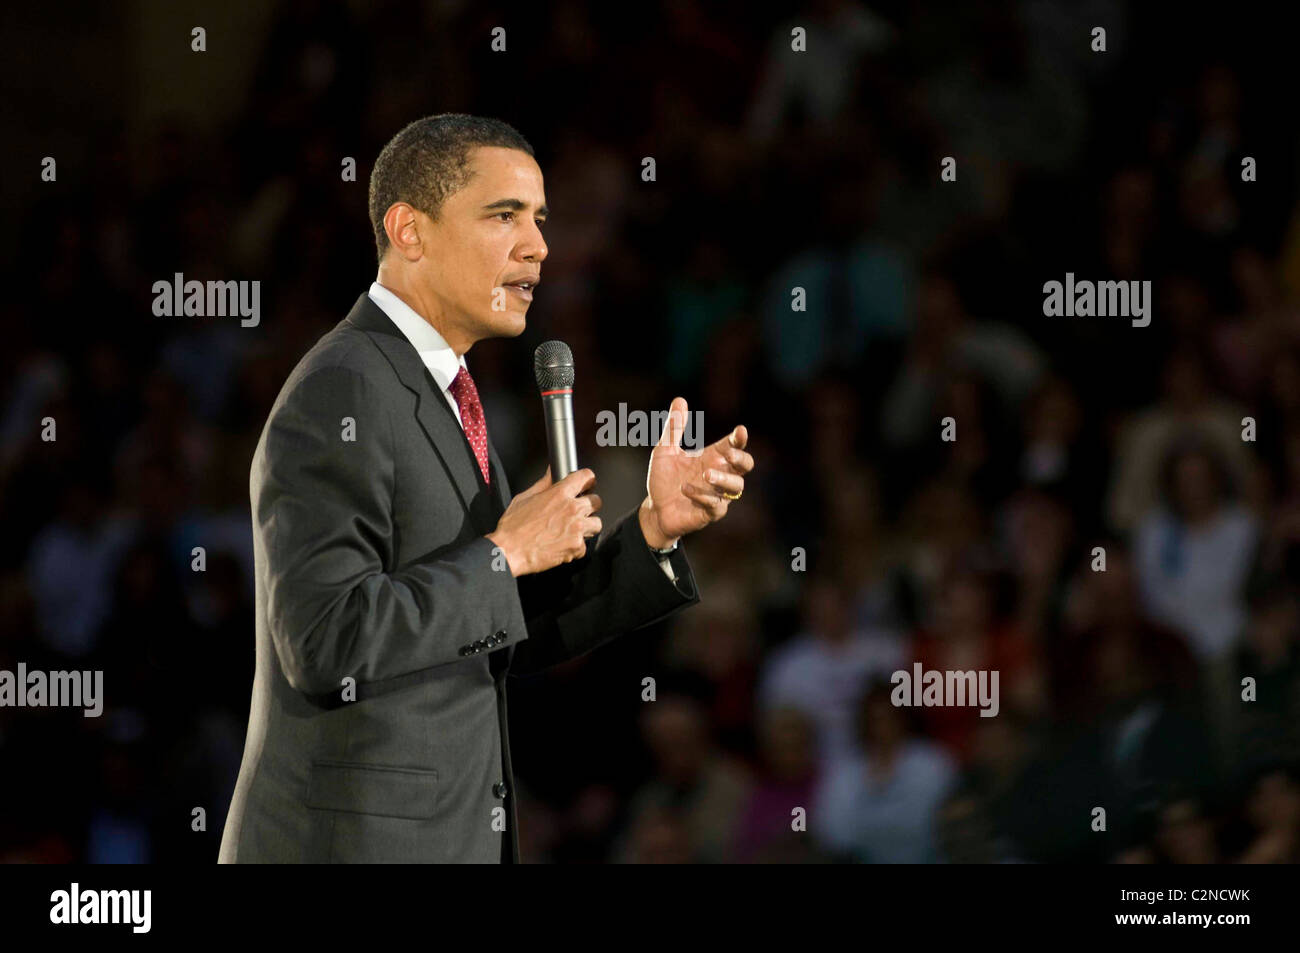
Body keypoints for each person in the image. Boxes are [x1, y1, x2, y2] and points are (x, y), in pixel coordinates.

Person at [218, 114, 754, 863]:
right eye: (504, 216)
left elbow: (495, 627)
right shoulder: (344, 387)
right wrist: (504, 554)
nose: (537, 244)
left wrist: (653, 528)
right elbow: (323, 637)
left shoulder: (446, 394)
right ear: (409, 230)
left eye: (538, 219)